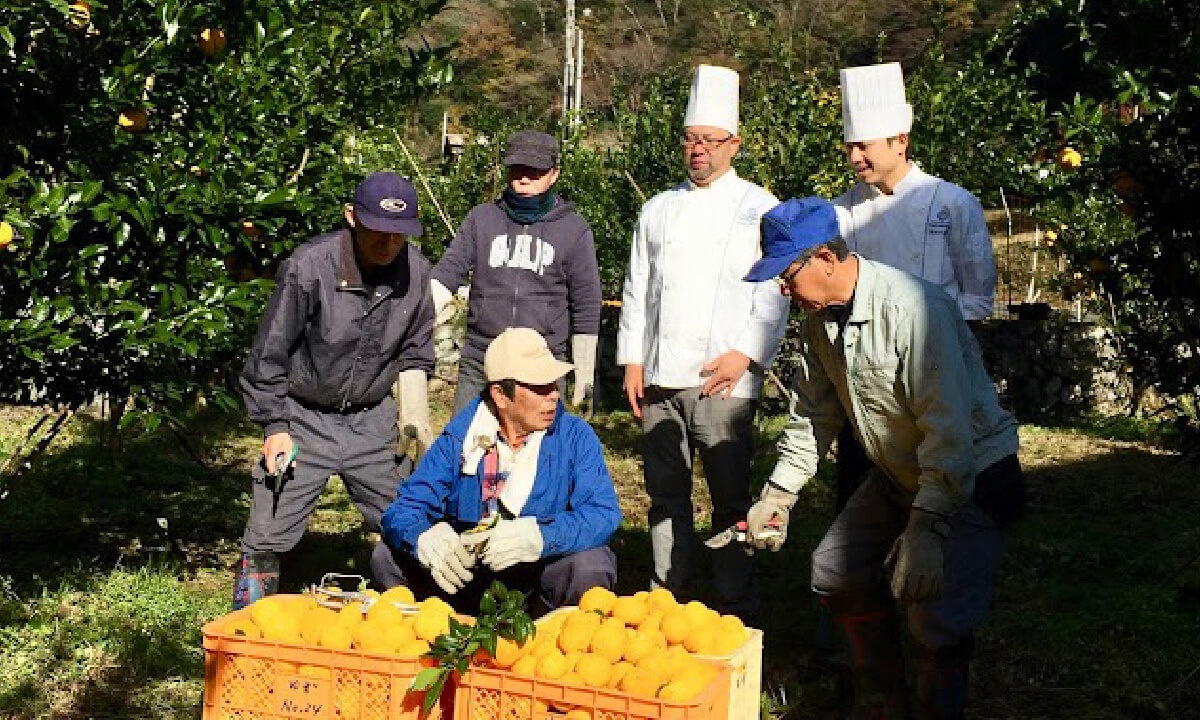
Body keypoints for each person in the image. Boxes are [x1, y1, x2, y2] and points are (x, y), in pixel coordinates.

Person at [743, 197, 1025, 719]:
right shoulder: (817, 324)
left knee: (934, 612)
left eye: (787, 275)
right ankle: (881, 698)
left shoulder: (916, 309)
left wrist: (929, 526)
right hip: (901, 473)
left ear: (825, 258)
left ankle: (937, 706)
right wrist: (779, 493)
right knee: (834, 571)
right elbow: (813, 417)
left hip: (970, 474)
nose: (782, 289)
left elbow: (948, 429)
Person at [616, 65, 789, 619]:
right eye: (691, 139)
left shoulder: (760, 206)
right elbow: (638, 287)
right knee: (665, 495)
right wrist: (633, 360)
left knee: (730, 497)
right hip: (663, 376)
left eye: (710, 142)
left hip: (724, 377)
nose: (698, 151)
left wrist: (747, 353)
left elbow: (776, 290)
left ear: (733, 145)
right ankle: (666, 591)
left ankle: (736, 600)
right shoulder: (657, 209)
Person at [234, 171, 436, 609]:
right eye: (378, 234)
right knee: (268, 529)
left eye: (399, 237)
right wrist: (275, 424)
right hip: (303, 415)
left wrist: (415, 416)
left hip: (372, 418)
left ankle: (416, 620)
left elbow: (417, 351)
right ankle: (247, 627)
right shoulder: (309, 267)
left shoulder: (417, 274)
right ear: (351, 218)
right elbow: (270, 352)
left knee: (412, 521)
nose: (389, 246)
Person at [830, 61, 1000, 516]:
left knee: (941, 483)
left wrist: (936, 346)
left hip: (937, 369)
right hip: (868, 373)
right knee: (864, 488)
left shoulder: (953, 203)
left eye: (863, 147)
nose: (854, 159)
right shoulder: (841, 213)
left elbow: (978, 294)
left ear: (900, 141)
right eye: (849, 148)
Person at [372, 327, 620, 615]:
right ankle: (435, 636)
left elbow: (603, 514)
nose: (553, 396)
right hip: (467, 577)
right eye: (539, 388)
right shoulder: (460, 439)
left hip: (536, 579)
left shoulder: (576, 437)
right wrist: (424, 539)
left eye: (553, 384)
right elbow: (403, 509)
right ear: (500, 396)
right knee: (387, 556)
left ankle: (554, 642)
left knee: (591, 565)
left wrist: (538, 537)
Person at [430, 130, 602, 414]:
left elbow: (586, 303)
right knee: (465, 448)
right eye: (517, 168)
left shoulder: (574, 229)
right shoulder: (481, 219)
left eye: (534, 171)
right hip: (481, 360)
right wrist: (413, 325)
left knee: (539, 453)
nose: (524, 177)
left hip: (542, 363)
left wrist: (584, 371)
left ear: (554, 174)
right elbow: (448, 272)